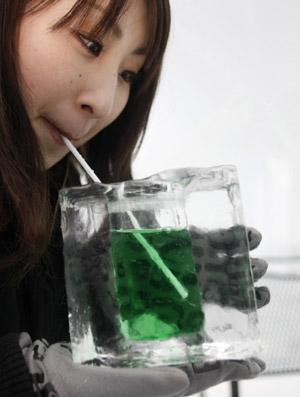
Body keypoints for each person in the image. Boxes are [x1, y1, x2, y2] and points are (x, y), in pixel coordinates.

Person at [0, 0, 270, 396]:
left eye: (128, 73)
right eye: (91, 43)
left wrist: (91, 303)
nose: (106, 103)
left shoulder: (54, 195)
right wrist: (24, 379)